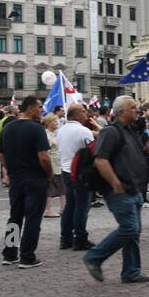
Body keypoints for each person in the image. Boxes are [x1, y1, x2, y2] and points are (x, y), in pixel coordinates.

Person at [82, 96, 149, 284]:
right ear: (121, 111)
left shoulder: (130, 130)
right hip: (119, 190)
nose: (137, 110)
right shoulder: (111, 132)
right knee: (129, 229)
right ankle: (94, 257)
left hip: (134, 188)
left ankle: (131, 271)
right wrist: (115, 183)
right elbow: (100, 160)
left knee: (134, 232)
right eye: (133, 108)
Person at [0, 95, 54, 269]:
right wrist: (50, 173)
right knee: (33, 218)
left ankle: (10, 252)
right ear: (30, 108)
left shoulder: (8, 127)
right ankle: (27, 256)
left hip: (16, 179)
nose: (42, 110)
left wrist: (12, 170)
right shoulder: (36, 129)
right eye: (39, 107)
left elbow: (0, 155)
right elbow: (43, 157)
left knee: (14, 217)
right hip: (35, 178)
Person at [57, 104, 97, 251]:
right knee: (82, 207)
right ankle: (80, 238)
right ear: (75, 115)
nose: (86, 114)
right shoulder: (83, 131)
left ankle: (65, 239)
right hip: (80, 173)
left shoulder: (62, 130)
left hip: (66, 171)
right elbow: (94, 150)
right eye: (83, 111)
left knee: (70, 206)